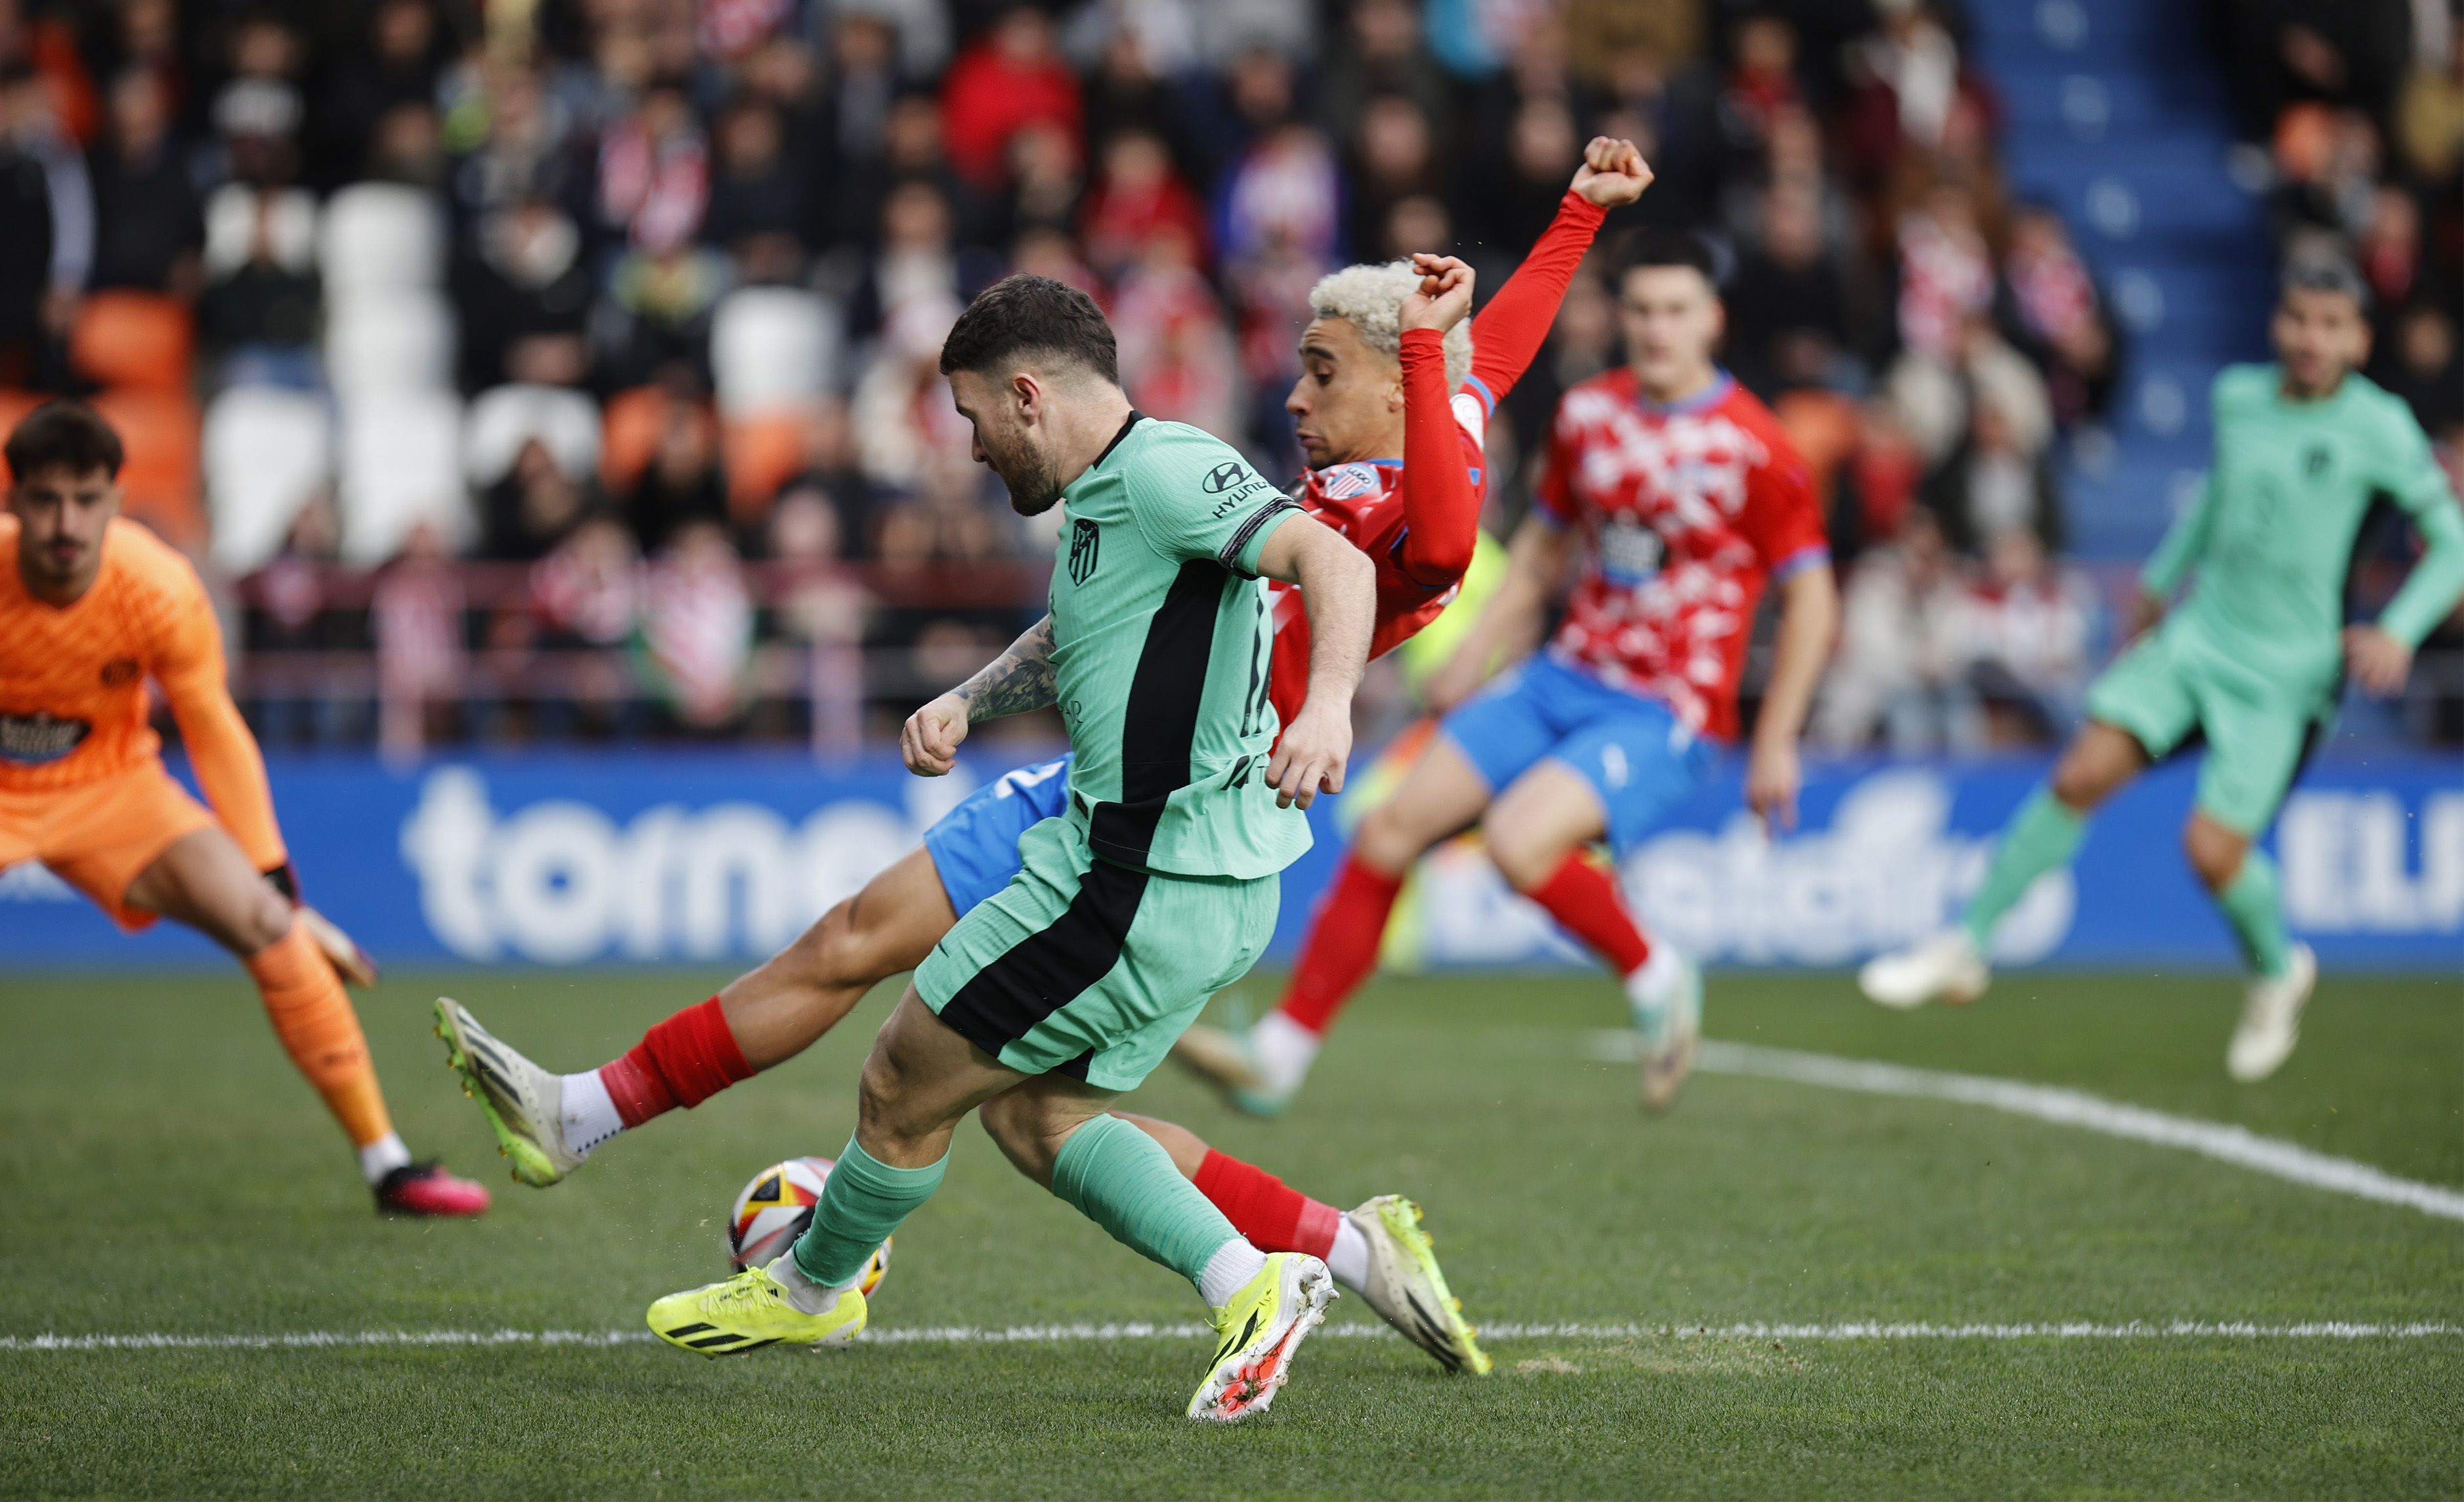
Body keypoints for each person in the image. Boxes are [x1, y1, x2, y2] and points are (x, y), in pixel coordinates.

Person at [435, 139, 1655, 1375]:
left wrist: (1329, 698)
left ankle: (893, 1273)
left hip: (1184, 798)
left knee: (1015, 1104)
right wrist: (1574, 213)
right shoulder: (1366, 433)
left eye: (1319, 370)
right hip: (1094, 774)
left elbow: (1434, 527)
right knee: (855, 940)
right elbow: (1486, 353)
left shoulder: (1397, 503)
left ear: (1394, 381)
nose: (1291, 395)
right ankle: (578, 1113)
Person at [651, 273, 1377, 1420]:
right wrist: (971, 699)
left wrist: (1327, 704)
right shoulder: (1106, 493)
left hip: (1135, 880)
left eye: (973, 415)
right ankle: (1255, 1280)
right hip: (1185, 882)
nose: (973, 445)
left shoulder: (1164, 468)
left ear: (1027, 394)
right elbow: (1085, 626)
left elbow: (1337, 562)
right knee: (1037, 1114)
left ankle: (812, 1284)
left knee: (901, 1078)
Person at [1175, 230, 1840, 1118]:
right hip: (1562, 674)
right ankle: (1281, 1056)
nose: (1655, 329)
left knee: (1523, 844)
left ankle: (1656, 972)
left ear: (1712, 321)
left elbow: (1813, 597)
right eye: (1639, 310)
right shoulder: (1590, 416)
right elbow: (1540, 555)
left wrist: (1779, 738)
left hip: (1667, 703)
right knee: (1388, 829)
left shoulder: (1755, 446)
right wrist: (1479, 649)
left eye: (1675, 311)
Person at [1860, 260, 2464, 1081]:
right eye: (2298, 319)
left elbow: (2453, 545)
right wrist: (2156, 580)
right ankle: (1967, 943)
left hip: (2285, 673)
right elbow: (2219, 499)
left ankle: (2279, 970)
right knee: (2078, 774)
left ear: (2360, 338)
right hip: (2199, 635)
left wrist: (2395, 629)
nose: (2311, 339)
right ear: (2278, 324)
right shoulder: (2240, 399)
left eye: (2331, 325)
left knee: (2211, 851)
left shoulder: (2381, 428)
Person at [0, 402, 488, 1217]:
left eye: (85, 499)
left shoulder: (156, 585)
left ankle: (391, 1167)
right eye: (45, 500)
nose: (65, 523)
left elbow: (214, 727)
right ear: (13, 503)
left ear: (117, 500)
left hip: (110, 788)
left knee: (270, 927)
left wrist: (281, 888)